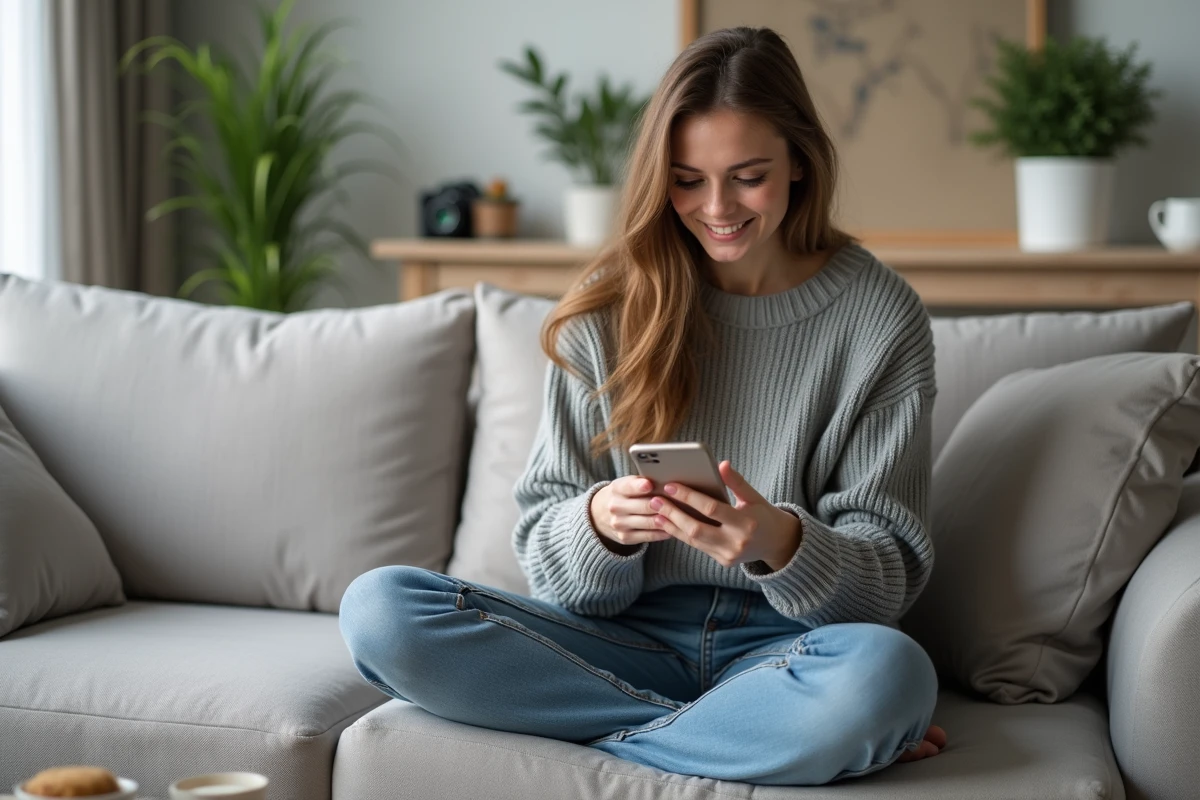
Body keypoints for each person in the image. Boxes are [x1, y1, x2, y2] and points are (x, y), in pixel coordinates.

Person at [339, 25, 946, 786]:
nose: (716, 207)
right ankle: (733, 737)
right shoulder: (609, 308)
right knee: (381, 610)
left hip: (786, 649)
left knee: (890, 674)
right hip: (616, 642)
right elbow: (547, 558)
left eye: (747, 176)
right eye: (688, 179)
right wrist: (599, 526)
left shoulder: (880, 317)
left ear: (799, 162)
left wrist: (779, 541)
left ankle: (632, 733)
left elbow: (888, 576)